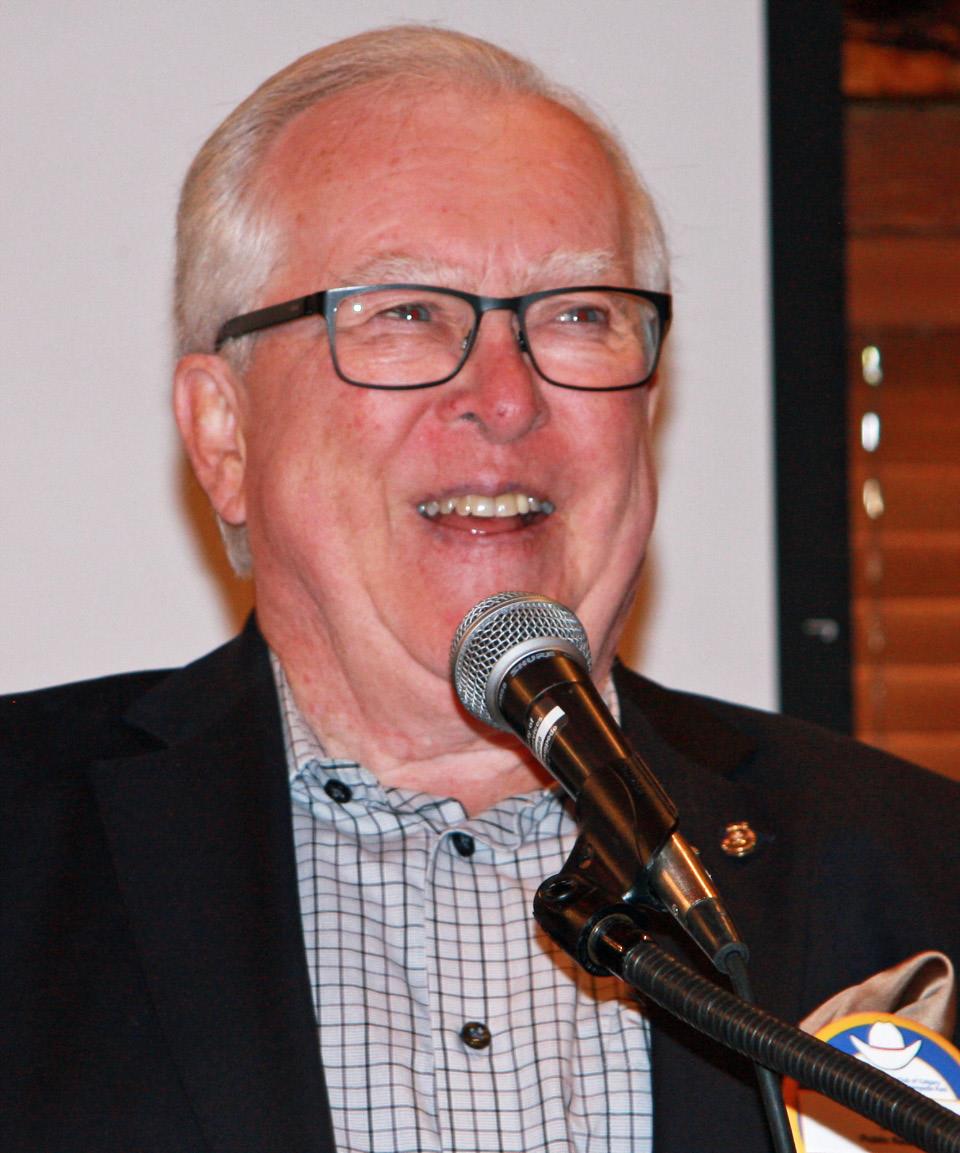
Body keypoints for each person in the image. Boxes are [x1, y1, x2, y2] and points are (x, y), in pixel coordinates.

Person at [2, 24, 958, 1153]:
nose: (506, 398)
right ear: (223, 432)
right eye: (405, 312)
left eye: (579, 315)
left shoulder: (919, 867)